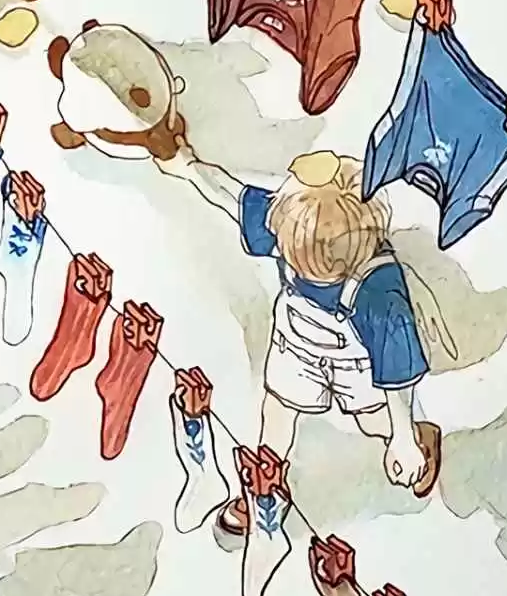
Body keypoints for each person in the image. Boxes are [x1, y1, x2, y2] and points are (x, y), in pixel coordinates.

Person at [179, 143, 441, 505]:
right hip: (295, 345)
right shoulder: (292, 222)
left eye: (311, 268)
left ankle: (418, 434)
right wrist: (188, 165)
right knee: (278, 410)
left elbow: (397, 372)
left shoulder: (379, 293)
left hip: (356, 362)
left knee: (371, 420)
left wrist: (403, 440)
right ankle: (265, 485)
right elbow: (232, 196)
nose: (295, 265)